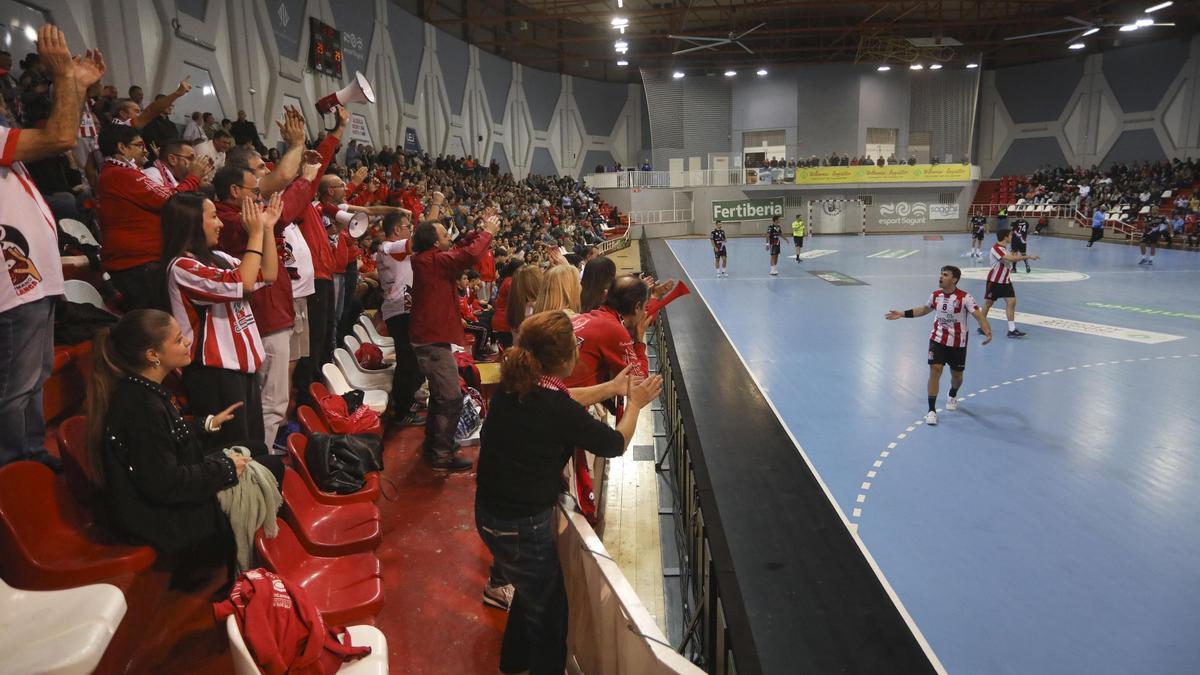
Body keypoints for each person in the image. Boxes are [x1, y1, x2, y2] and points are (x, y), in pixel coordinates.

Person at [475, 310, 661, 675]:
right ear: (566, 357)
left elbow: (564, 398)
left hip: (490, 514)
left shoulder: (516, 387)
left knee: (530, 594)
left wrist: (611, 388)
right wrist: (636, 404)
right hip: (520, 526)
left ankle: (513, 664)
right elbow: (615, 442)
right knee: (550, 616)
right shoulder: (555, 408)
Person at [87, 309, 259, 585]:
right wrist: (225, 469)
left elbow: (162, 442)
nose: (188, 342)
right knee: (267, 468)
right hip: (157, 517)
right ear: (153, 355)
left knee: (256, 448)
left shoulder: (142, 391)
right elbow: (164, 483)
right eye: (179, 339)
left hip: (162, 497)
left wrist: (206, 424)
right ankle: (251, 577)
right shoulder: (140, 406)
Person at [0, 25, 104, 471]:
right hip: (12, 286)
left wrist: (75, 86)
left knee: (32, 379)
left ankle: (29, 456)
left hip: (31, 281)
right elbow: (61, 137)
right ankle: (13, 472)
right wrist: (66, 77)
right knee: (14, 388)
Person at [163, 191, 282, 450]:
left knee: (254, 449)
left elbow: (269, 273)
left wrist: (267, 228)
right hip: (213, 373)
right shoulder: (182, 267)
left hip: (242, 368)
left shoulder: (220, 258)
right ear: (192, 222)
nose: (220, 224)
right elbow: (244, 282)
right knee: (232, 452)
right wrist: (255, 234)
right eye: (213, 217)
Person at [409, 206, 500, 471]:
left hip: (430, 336)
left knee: (441, 396)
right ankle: (442, 455)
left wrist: (476, 231)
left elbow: (460, 247)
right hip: (432, 339)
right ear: (435, 243)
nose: (449, 237)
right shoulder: (434, 261)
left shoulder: (429, 259)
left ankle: (433, 446)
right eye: (444, 235)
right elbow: (469, 255)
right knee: (450, 398)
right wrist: (487, 233)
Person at [96, 123, 210, 310]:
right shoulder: (120, 174)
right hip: (138, 264)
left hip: (142, 262)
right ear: (122, 147)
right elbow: (171, 201)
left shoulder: (119, 173)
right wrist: (193, 177)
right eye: (139, 145)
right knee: (158, 320)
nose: (145, 150)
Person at [886, 266, 992, 426]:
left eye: (945, 275)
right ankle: (931, 410)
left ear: (954, 279)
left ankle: (952, 393)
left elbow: (979, 316)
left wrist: (988, 331)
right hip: (937, 340)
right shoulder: (935, 296)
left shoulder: (965, 298)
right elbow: (923, 310)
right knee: (935, 370)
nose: (941, 277)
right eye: (941, 274)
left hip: (958, 344)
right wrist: (902, 313)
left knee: (957, 377)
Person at [377, 212, 425, 427]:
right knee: (406, 360)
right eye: (408, 227)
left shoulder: (395, 249)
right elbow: (422, 238)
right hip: (399, 310)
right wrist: (435, 205)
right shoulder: (389, 247)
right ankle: (402, 411)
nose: (410, 231)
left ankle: (409, 398)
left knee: (412, 358)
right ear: (397, 229)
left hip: (404, 309)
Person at [979, 229, 1038, 339]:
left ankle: (1012, 330)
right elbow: (1011, 259)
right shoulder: (996, 248)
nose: (1012, 237)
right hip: (995, 281)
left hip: (1006, 281)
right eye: (1010, 235)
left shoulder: (1005, 248)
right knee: (988, 304)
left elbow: (1010, 260)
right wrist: (1027, 256)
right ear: (1005, 237)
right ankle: (982, 326)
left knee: (1012, 302)